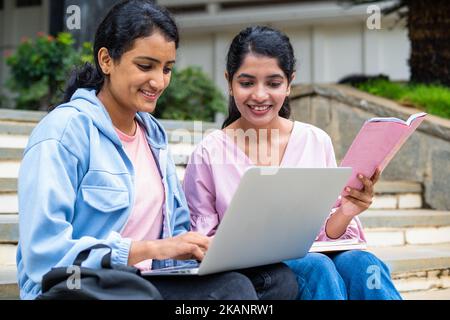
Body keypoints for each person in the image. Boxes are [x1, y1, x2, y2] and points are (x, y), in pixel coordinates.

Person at [16, 2, 298, 300]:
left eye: (166, 69)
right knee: (233, 291)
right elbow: (43, 254)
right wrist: (148, 249)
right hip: (77, 286)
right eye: (145, 66)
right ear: (106, 60)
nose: (159, 81)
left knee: (277, 280)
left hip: (146, 281)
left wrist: (200, 247)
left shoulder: (152, 133)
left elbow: (175, 232)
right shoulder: (63, 132)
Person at [182, 26, 402, 300]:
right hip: (255, 272)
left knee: (364, 265)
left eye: (273, 83)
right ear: (229, 82)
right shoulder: (209, 153)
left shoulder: (315, 140)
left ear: (289, 84)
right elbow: (201, 244)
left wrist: (347, 211)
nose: (260, 95)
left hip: (316, 255)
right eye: (247, 82)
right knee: (317, 267)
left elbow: (328, 235)